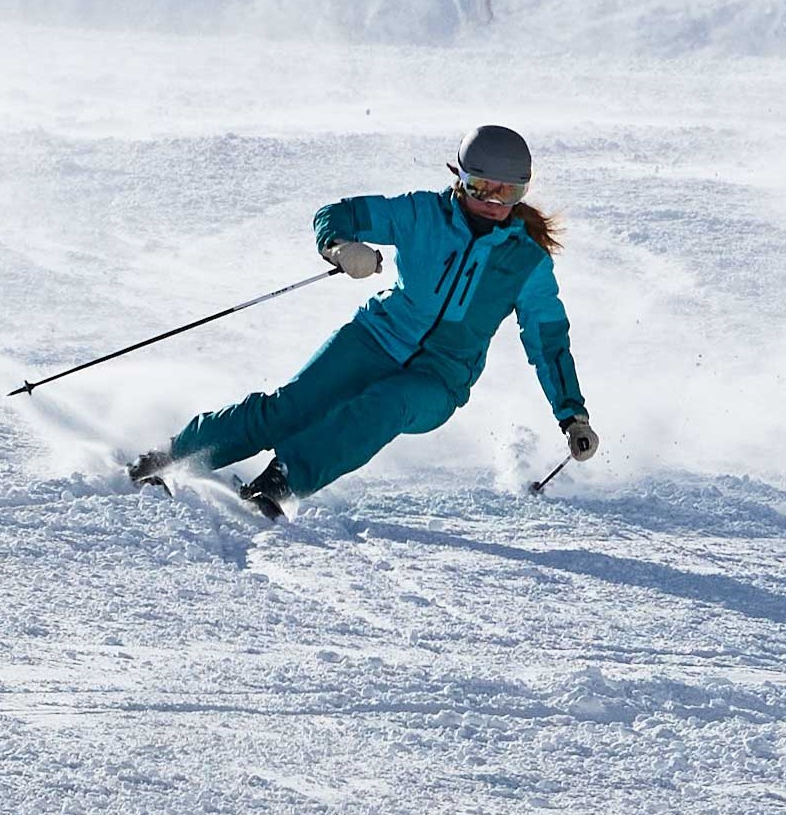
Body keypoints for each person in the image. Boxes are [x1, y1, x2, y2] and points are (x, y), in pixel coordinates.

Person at [130, 124, 594, 519]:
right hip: (375, 337)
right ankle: (174, 455)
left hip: (440, 378)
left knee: (384, 405)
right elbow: (337, 214)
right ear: (460, 180)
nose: (494, 202)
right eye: (481, 187)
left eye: (507, 192)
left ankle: (280, 482)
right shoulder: (421, 214)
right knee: (289, 409)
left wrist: (571, 414)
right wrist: (338, 246)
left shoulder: (526, 261)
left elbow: (547, 340)